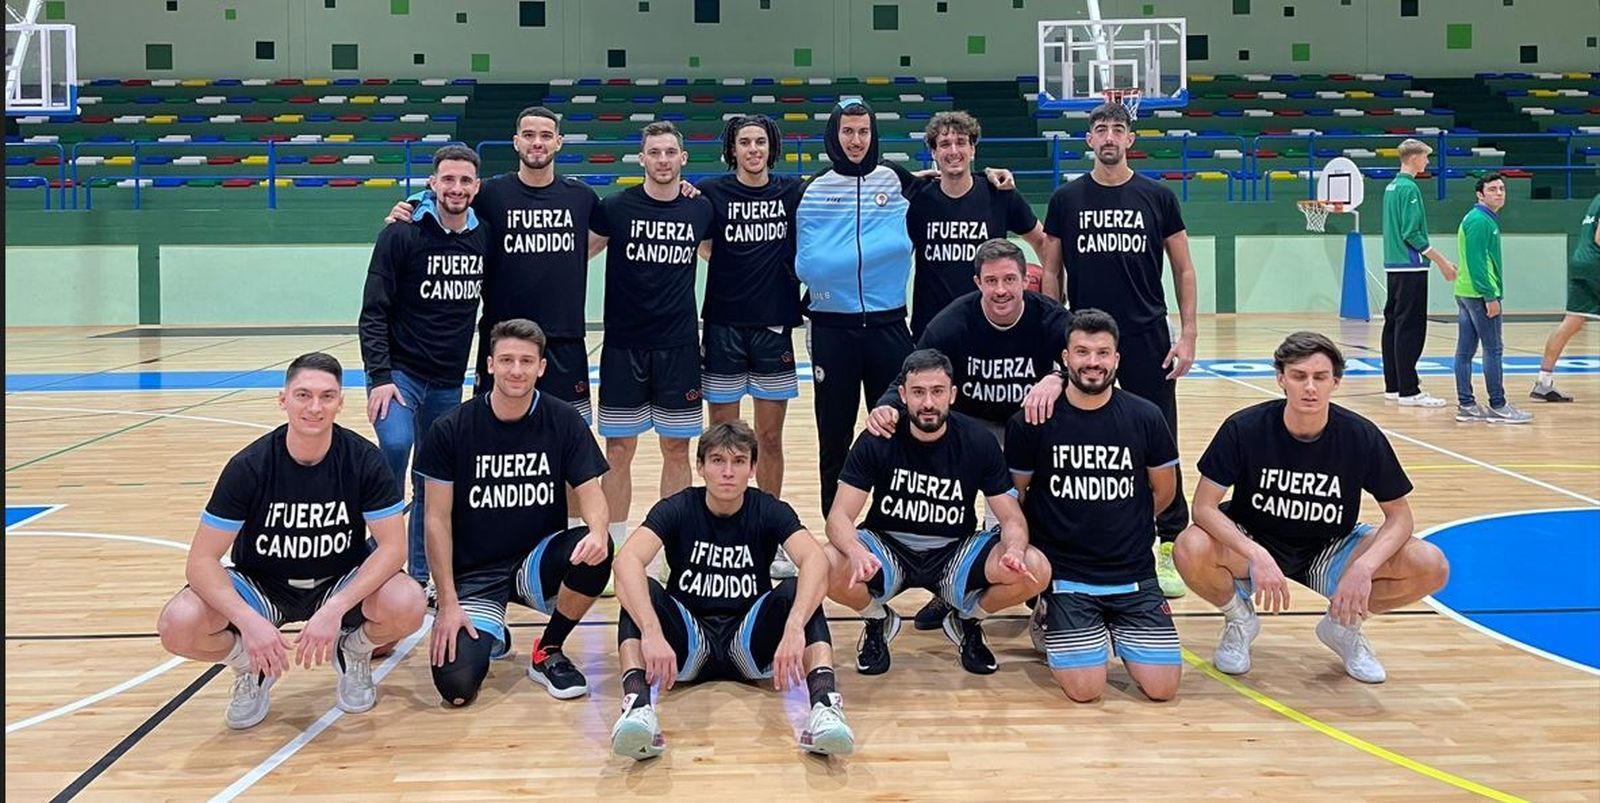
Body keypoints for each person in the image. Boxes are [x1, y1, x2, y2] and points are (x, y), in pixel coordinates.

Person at [155, 352, 425, 730]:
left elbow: (393, 548)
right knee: (179, 623)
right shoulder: (250, 466)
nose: (315, 407)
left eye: (327, 396)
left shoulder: (363, 459)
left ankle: (354, 651)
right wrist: (247, 623)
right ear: (283, 400)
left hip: (337, 581)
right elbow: (201, 561)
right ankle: (251, 665)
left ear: (340, 402)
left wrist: (335, 609)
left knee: (408, 601)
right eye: (303, 395)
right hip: (263, 584)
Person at [1173, 332, 1450, 684]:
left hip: (1329, 546)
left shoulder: (1360, 435)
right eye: (1299, 376)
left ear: (1335, 382)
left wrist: (1365, 566)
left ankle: (1343, 626)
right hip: (1255, 539)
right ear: (1280, 378)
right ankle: (1239, 619)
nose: (1309, 387)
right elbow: (1204, 508)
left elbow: (1400, 516)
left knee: (1431, 564)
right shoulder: (1245, 428)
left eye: (1320, 378)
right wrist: (1255, 553)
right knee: (1189, 545)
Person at [795, 96, 1013, 515]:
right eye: (848, 131)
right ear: (834, 135)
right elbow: (794, 254)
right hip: (831, 329)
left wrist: (989, 175)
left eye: (863, 131)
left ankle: (894, 519)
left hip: (890, 327)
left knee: (900, 426)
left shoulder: (895, 179)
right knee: (835, 434)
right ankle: (836, 527)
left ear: (873, 134)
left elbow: (951, 178)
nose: (856, 140)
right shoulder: (813, 188)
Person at [609, 421, 853, 760]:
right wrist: (651, 630)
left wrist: (795, 626)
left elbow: (814, 559)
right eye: (717, 461)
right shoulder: (678, 507)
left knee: (799, 589)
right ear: (700, 466)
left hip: (748, 641)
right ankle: (637, 707)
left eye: (738, 461)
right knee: (638, 590)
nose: (728, 472)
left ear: (753, 468)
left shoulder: (768, 509)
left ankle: (825, 707)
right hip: (689, 644)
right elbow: (627, 561)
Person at [865, 238, 1071, 630]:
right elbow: (908, 375)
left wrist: (1057, 377)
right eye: (991, 280)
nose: (1001, 290)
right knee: (952, 511)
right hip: (969, 429)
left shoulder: (1051, 319)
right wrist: (887, 405)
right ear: (977, 282)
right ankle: (955, 591)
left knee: (1042, 505)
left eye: (1010, 279)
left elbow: (1085, 364)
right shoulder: (951, 323)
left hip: (1028, 427)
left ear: (1027, 280)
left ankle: (1049, 600)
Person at [1039, 101, 1200, 599]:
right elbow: (1050, 271)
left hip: (1145, 336)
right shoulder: (1067, 198)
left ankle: (1169, 541)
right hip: (1085, 340)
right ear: (1089, 140)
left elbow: (1184, 269)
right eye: (1100, 129)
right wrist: (1054, 335)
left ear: (1130, 139)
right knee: (1079, 441)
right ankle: (1074, 535)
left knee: (1160, 441)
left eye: (1118, 128)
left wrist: (1189, 332)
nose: (1109, 136)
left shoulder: (1157, 196)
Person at [416, 319, 614, 705]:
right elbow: (435, 520)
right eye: (507, 360)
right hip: (474, 573)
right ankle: (491, 628)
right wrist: (448, 603)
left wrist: (597, 530)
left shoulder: (562, 419)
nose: (517, 370)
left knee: (596, 550)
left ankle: (548, 650)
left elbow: (591, 491)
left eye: (526, 361)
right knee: (456, 689)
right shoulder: (451, 428)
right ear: (490, 365)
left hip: (535, 564)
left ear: (541, 367)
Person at [824, 349, 1050, 676]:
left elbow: (1012, 518)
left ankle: (967, 619)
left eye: (937, 392)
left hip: (953, 551)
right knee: (826, 564)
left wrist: (1013, 549)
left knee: (1035, 568)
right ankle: (877, 619)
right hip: (890, 547)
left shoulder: (977, 441)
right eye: (918, 392)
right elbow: (838, 518)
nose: (928, 402)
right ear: (902, 395)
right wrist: (855, 551)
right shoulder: (879, 439)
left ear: (952, 395)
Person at [1005, 309, 1182, 702]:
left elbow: (1164, 492)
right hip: (1067, 575)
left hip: (1132, 573)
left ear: (1117, 359)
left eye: (1103, 353)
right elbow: (1015, 495)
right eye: (1082, 352)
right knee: (1086, 692)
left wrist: (1121, 521)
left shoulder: (1146, 416)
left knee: (1162, 689)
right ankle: (1047, 607)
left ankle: (1116, 625)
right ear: (1065, 358)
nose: (1093, 363)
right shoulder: (1032, 421)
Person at [388, 106, 602, 421]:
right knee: (495, 436)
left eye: (545, 136)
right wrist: (407, 206)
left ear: (559, 141)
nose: (537, 143)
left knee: (570, 441)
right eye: (528, 136)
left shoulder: (582, 197)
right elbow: (446, 194)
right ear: (516, 142)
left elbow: (609, 232)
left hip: (563, 339)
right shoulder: (490, 193)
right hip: (502, 339)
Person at [588, 121, 716, 567]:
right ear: (641, 159)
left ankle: (669, 547)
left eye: (670, 152)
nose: (663, 160)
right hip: (624, 346)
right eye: (654, 152)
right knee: (618, 452)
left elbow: (722, 256)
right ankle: (613, 549)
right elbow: (573, 252)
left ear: (683, 159)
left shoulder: (700, 210)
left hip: (678, 346)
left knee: (676, 449)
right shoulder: (616, 207)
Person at [359, 144, 486, 584]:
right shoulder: (401, 233)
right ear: (432, 184)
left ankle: (415, 577)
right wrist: (379, 377)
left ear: (476, 187)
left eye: (465, 180)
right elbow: (373, 310)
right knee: (394, 446)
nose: (456, 188)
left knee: (432, 480)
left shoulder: (481, 236)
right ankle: (376, 561)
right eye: (447, 179)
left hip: (448, 382)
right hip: (400, 376)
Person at [697, 114, 805, 579]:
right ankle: (718, 528)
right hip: (722, 324)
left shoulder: (792, 191)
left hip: (774, 325)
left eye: (761, 142)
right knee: (722, 437)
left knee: (769, 437)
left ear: (771, 148)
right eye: (745, 143)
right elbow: (699, 239)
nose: (753, 150)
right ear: (733, 149)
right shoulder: (710, 192)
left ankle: (772, 533)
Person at [908, 111, 1048, 340]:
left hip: (991, 328)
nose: (953, 151)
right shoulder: (917, 200)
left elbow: (1043, 241)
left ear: (973, 149)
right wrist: (914, 177)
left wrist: (1051, 294)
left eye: (961, 142)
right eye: (944, 144)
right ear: (933, 152)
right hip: (932, 330)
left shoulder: (999, 193)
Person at [1379, 138, 1459, 408]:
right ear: (1414, 158)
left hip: (1393, 265)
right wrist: (1442, 261)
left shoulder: (1391, 187)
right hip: (1410, 266)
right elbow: (1411, 233)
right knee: (1410, 328)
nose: (1427, 162)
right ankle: (1409, 390)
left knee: (1393, 325)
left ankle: (1394, 385)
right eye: (1426, 157)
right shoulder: (1409, 188)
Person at [1453, 173, 1532, 424]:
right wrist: (1490, 296)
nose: (1499, 193)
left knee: (1465, 351)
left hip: (1466, 291)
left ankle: (1466, 404)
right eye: (1493, 189)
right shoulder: (1480, 221)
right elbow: (1477, 263)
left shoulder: (1481, 218)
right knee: (1493, 349)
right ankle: (1498, 404)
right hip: (1479, 294)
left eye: (1502, 189)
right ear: (1480, 194)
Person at [1529, 192, 1600, 402]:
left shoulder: (1597, 197)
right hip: (1596, 263)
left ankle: (1543, 382)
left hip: (1581, 262)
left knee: (1571, 322)